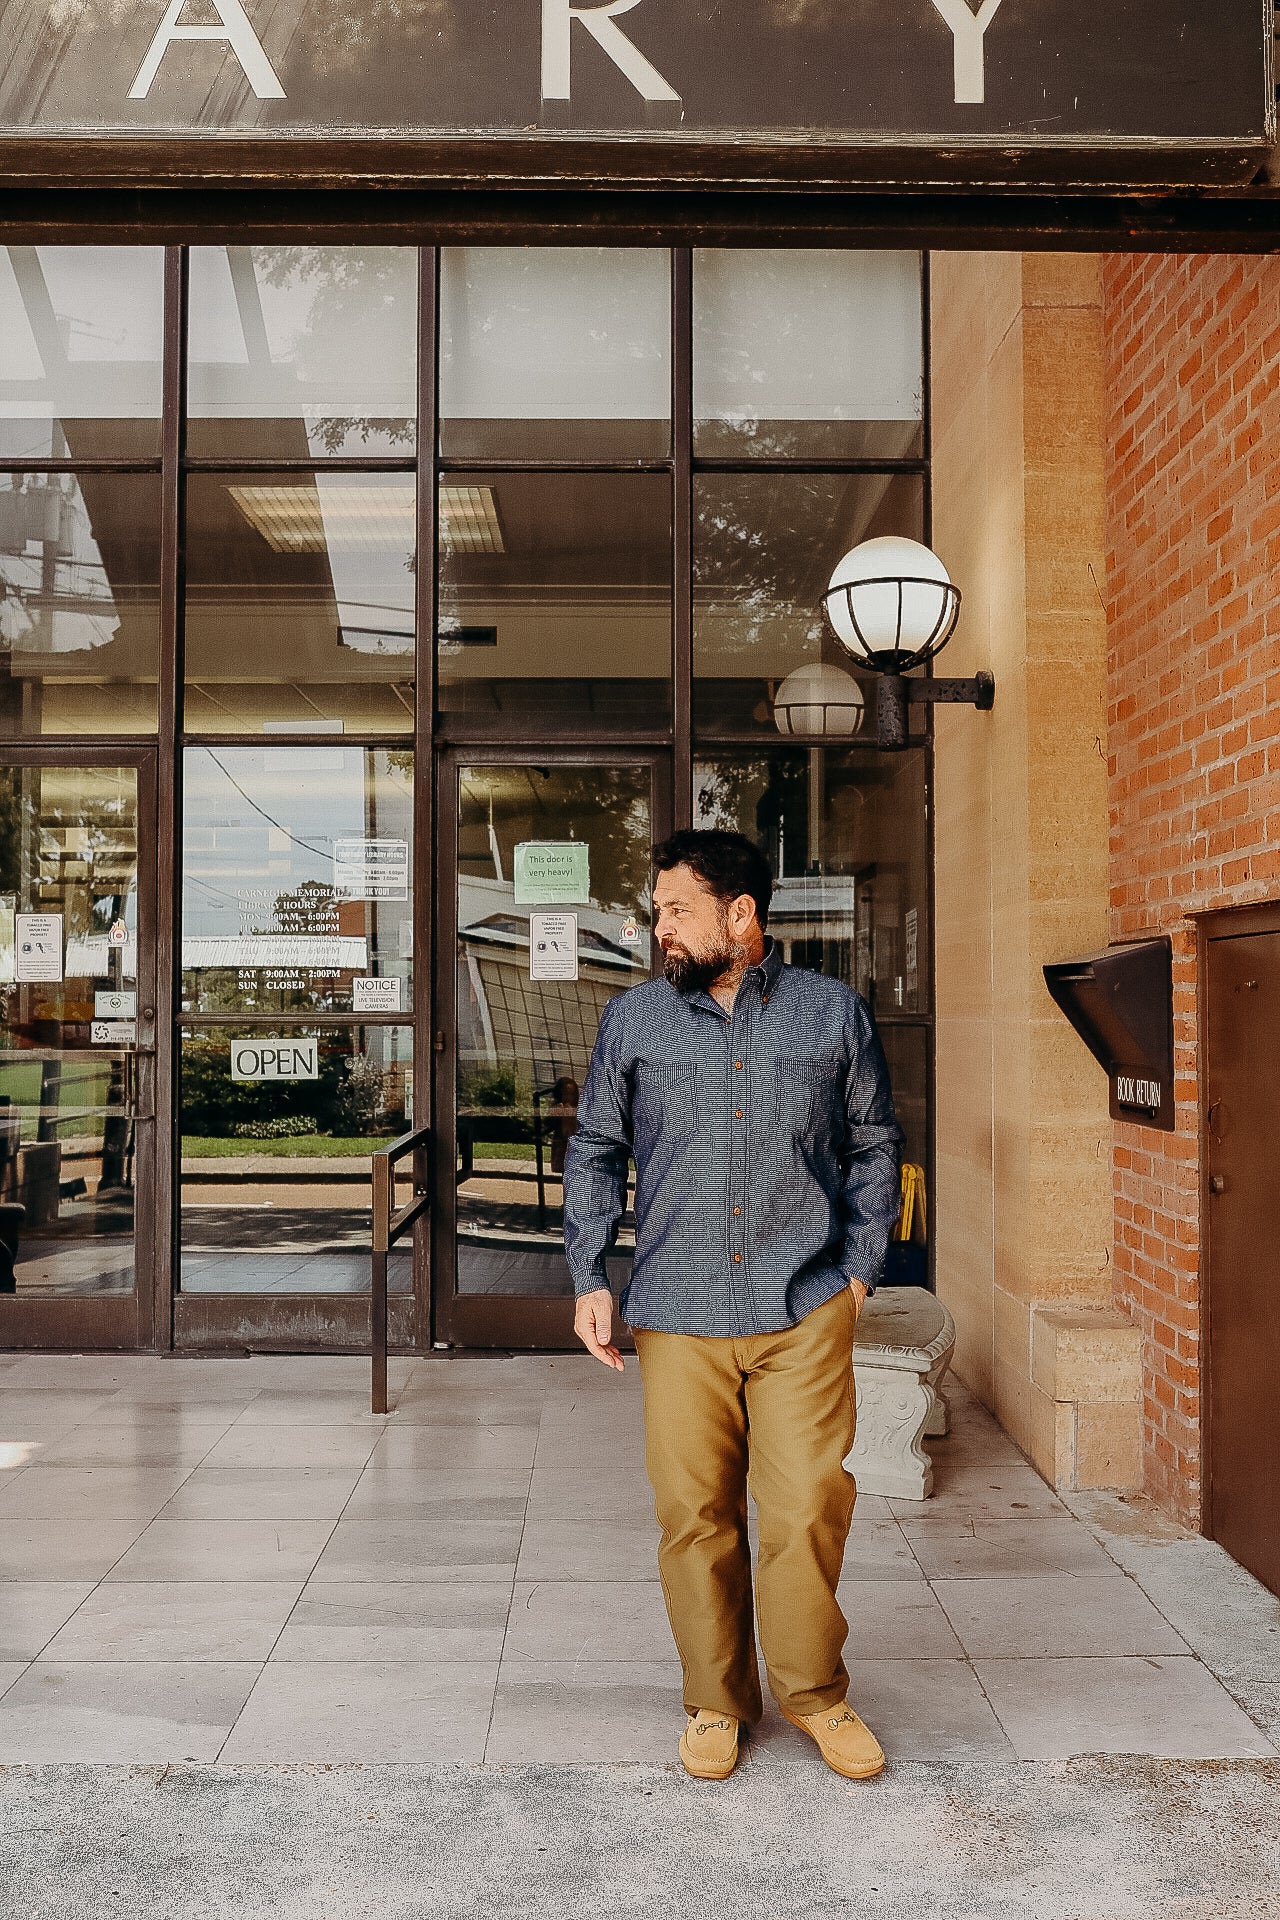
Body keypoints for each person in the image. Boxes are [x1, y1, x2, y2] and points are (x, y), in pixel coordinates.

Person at [563, 828, 903, 1782]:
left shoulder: (832, 1014)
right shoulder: (635, 1022)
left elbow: (877, 1145)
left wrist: (860, 1271)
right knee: (695, 1516)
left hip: (803, 1305)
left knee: (804, 1509)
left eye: (677, 911)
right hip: (676, 1308)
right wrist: (591, 1274)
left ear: (740, 915)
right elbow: (594, 1148)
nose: (659, 928)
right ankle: (716, 1701)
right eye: (657, 911)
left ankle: (816, 1695)